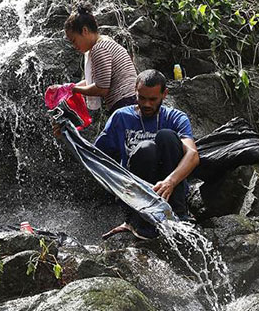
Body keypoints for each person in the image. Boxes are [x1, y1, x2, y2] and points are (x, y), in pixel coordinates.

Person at [84, 69, 200, 239]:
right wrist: (67, 134)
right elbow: (94, 155)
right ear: (135, 92)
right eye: (142, 98)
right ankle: (138, 220)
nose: (146, 104)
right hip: (136, 192)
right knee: (146, 148)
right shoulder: (121, 117)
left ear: (164, 94)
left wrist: (170, 182)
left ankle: (179, 215)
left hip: (169, 188)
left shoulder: (176, 117)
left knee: (167, 136)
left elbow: (193, 155)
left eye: (153, 99)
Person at [63, 4, 138, 115]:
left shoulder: (99, 49)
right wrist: (69, 87)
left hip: (125, 102)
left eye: (74, 40)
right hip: (131, 99)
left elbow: (101, 88)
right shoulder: (106, 42)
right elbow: (97, 81)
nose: (74, 46)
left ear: (84, 31)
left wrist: (74, 90)